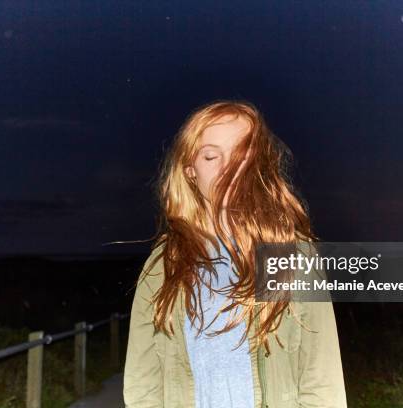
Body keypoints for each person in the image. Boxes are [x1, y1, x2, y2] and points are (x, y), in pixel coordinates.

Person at [123, 100, 347, 407]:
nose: (229, 168)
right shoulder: (162, 266)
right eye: (212, 156)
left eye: (242, 155)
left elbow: (323, 381)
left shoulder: (294, 257)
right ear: (191, 171)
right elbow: (142, 383)